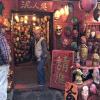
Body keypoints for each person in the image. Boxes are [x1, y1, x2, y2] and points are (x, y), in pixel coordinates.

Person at [0, 24, 11, 100]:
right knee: (2, 83)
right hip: (2, 64)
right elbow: (4, 52)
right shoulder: (1, 38)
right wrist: (8, 61)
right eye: (3, 28)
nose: (5, 29)